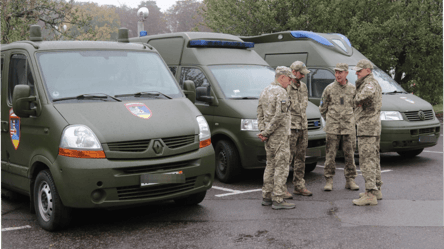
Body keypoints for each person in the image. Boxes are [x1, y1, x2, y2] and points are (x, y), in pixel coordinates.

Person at [257, 66, 295, 210]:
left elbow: (259, 112)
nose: (290, 82)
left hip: (269, 137)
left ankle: (266, 196)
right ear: (282, 77)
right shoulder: (282, 92)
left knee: (270, 165)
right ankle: (278, 198)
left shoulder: (265, 91)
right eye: (289, 79)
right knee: (281, 167)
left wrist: (263, 131)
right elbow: (280, 116)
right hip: (279, 136)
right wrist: (266, 132)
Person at [319, 63, 359, 191]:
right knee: (330, 155)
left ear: (346, 73)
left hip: (348, 127)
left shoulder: (353, 89)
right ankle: (329, 180)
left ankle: (350, 180)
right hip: (332, 128)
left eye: (340, 72)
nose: (338, 75)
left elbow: (357, 109)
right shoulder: (329, 89)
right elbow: (322, 108)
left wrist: (352, 120)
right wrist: (330, 120)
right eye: (336, 72)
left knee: (350, 155)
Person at [352, 59, 383, 206]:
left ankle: (370, 194)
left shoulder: (369, 83)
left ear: (368, 71)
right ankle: (376, 189)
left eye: (360, 70)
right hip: (371, 127)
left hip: (367, 127)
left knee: (367, 160)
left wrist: (355, 99)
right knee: (374, 158)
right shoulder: (369, 82)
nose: (357, 73)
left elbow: (364, 96)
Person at [285, 61, 313, 197]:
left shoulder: (303, 87)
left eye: (304, 73)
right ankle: (281, 187)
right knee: (286, 158)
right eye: (301, 73)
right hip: (290, 127)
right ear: (293, 72)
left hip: (302, 126)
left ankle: (299, 185)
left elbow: (304, 105)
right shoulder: (286, 87)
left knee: (301, 158)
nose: (303, 76)